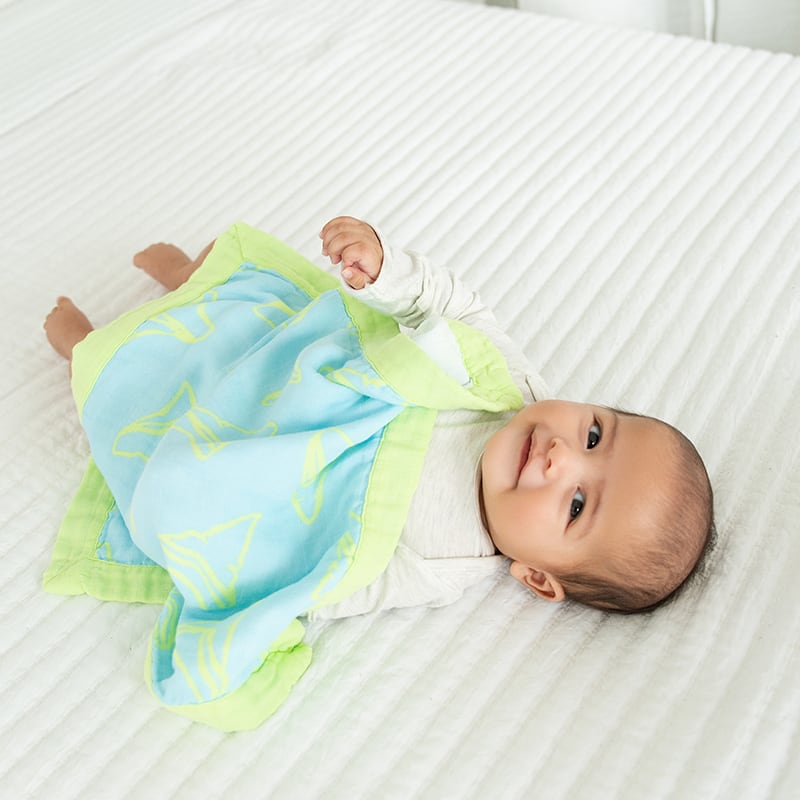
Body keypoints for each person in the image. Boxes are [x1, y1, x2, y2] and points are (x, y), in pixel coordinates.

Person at [44, 216, 714, 616]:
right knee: (246, 304)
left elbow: (334, 579)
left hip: (274, 435)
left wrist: (267, 591)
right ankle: (191, 277)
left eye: (576, 505)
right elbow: (460, 310)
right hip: (305, 355)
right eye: (594, 434)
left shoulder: (445, 559)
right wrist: (389, 272)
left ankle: (87, 351)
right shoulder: (513, 387)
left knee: (163, 402)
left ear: (537, 577)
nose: (561, 456)